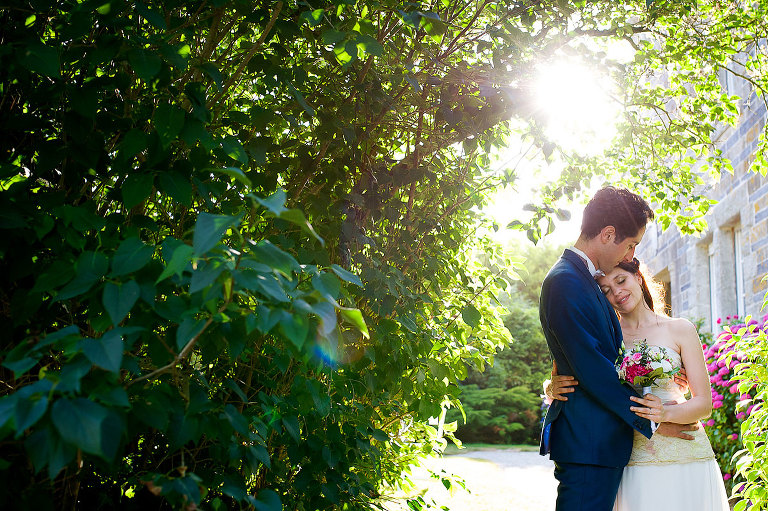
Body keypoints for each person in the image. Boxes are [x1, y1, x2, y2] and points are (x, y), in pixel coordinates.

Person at [538, 186, 697, 511]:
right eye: (630, 245)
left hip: (602, 444)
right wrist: (654, 421)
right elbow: (594, 370)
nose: (629, 257)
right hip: (589, 445)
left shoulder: (582, 279)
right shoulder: (567, 281)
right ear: (608, 234)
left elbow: (590, 357)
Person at [547, 258, 730, 510]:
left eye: (621, 281)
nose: (617, 293)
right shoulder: (606, 338)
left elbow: (704, 404)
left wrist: (666, 413)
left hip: (686, 452)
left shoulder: (680, 329)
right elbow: (588, 380)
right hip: (631, 455)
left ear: (638, 278)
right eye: (606, 290)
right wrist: (550, 386)